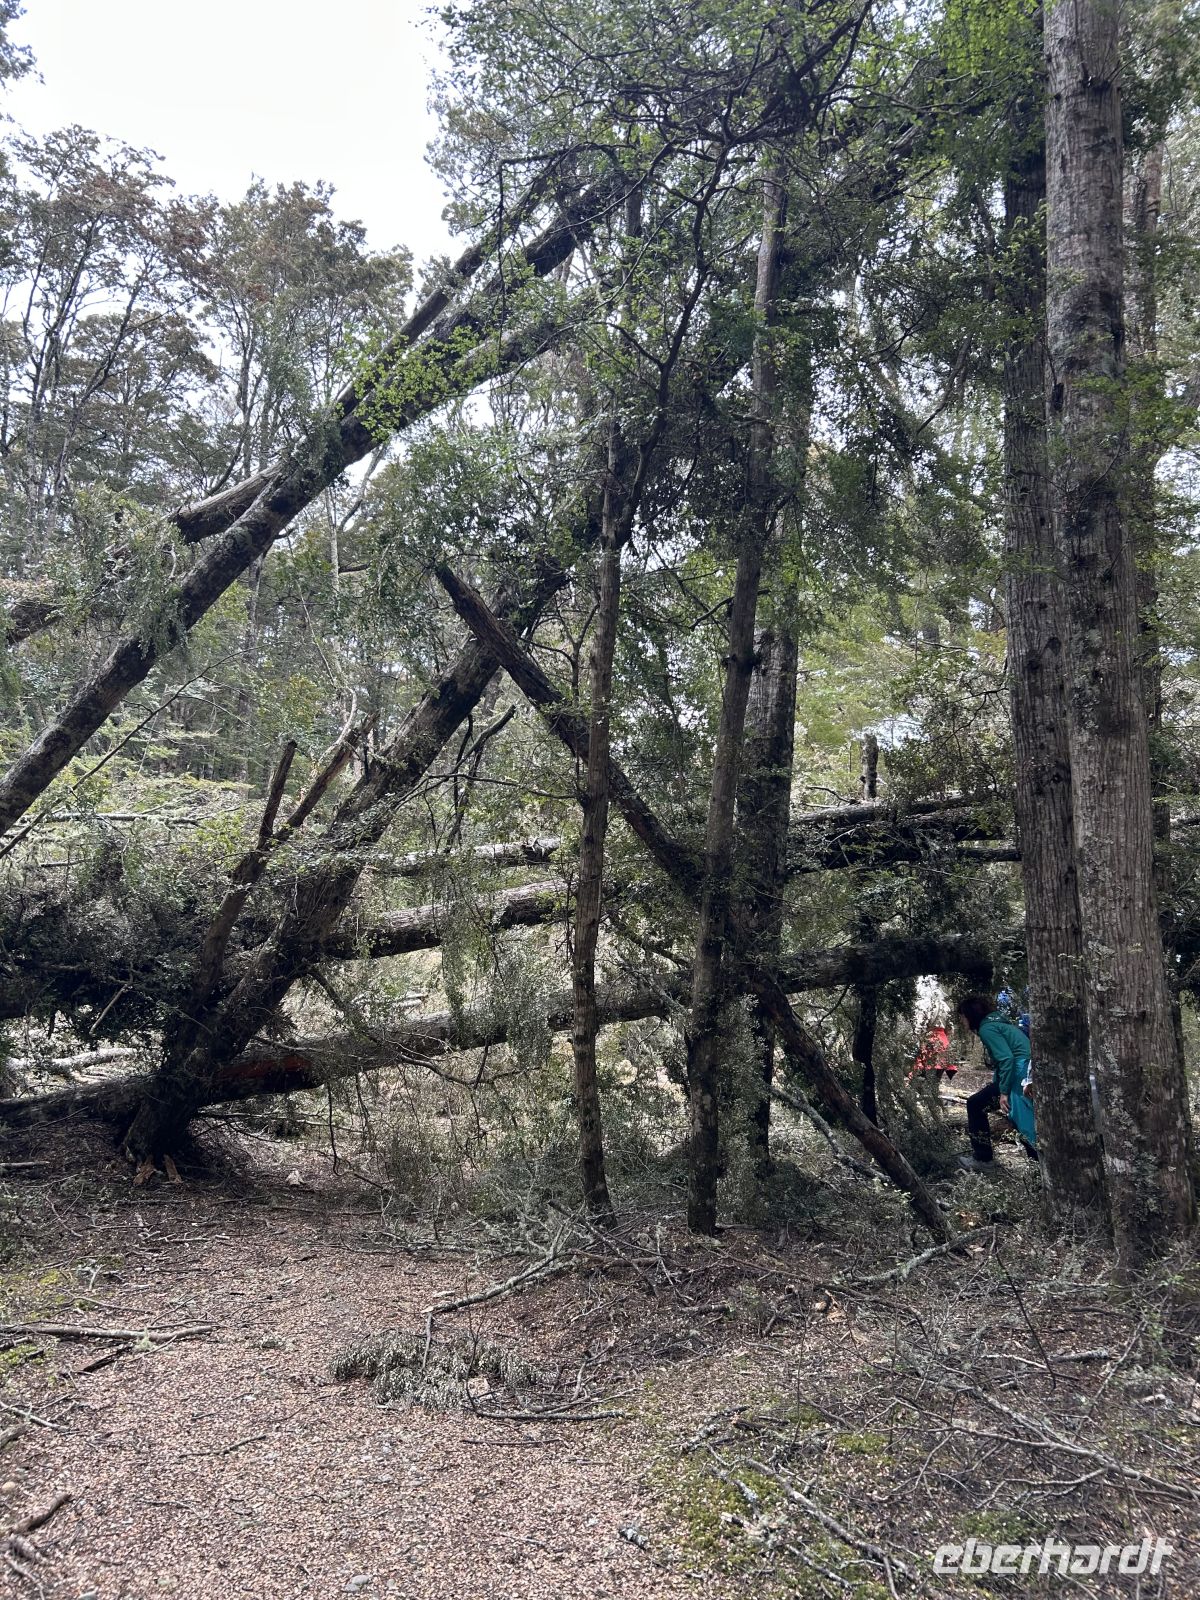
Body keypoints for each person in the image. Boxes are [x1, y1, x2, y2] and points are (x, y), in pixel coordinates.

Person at [956, 993, 1035, 1172]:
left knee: (1021, 1120)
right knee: (1019, 1117)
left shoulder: (987, 1029)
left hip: (1017, 1076)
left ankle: (984, 1160)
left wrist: (1004, 1092)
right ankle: (1036, 1169)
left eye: (962, 1017)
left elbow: (1007, 1059)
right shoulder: (999, 1023)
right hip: (1023, 1073)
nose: (962, 1022)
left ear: (970, 1016)